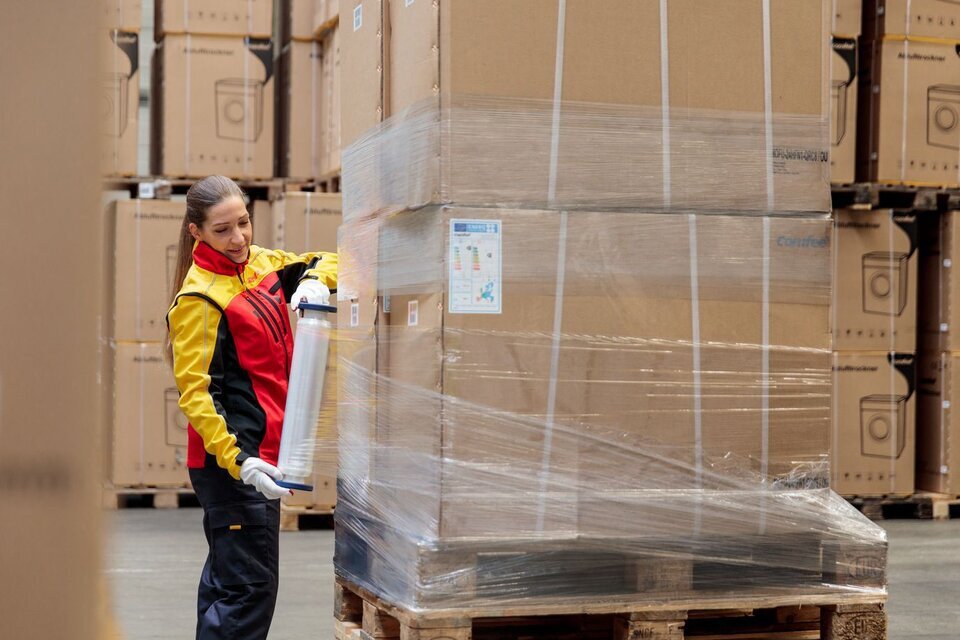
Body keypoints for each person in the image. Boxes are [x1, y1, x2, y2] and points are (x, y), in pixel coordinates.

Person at [165, 175, 337, 639]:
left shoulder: (263, 266)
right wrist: (240, 461)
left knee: (231, 584)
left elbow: (333, 260)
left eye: (243, 222)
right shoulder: (200, 298)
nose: (239, 238)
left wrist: (314, 281)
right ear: (196, 232)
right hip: (235, 465)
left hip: (262, 457)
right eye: (222, 230)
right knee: (247, 592)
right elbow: (197, 394)